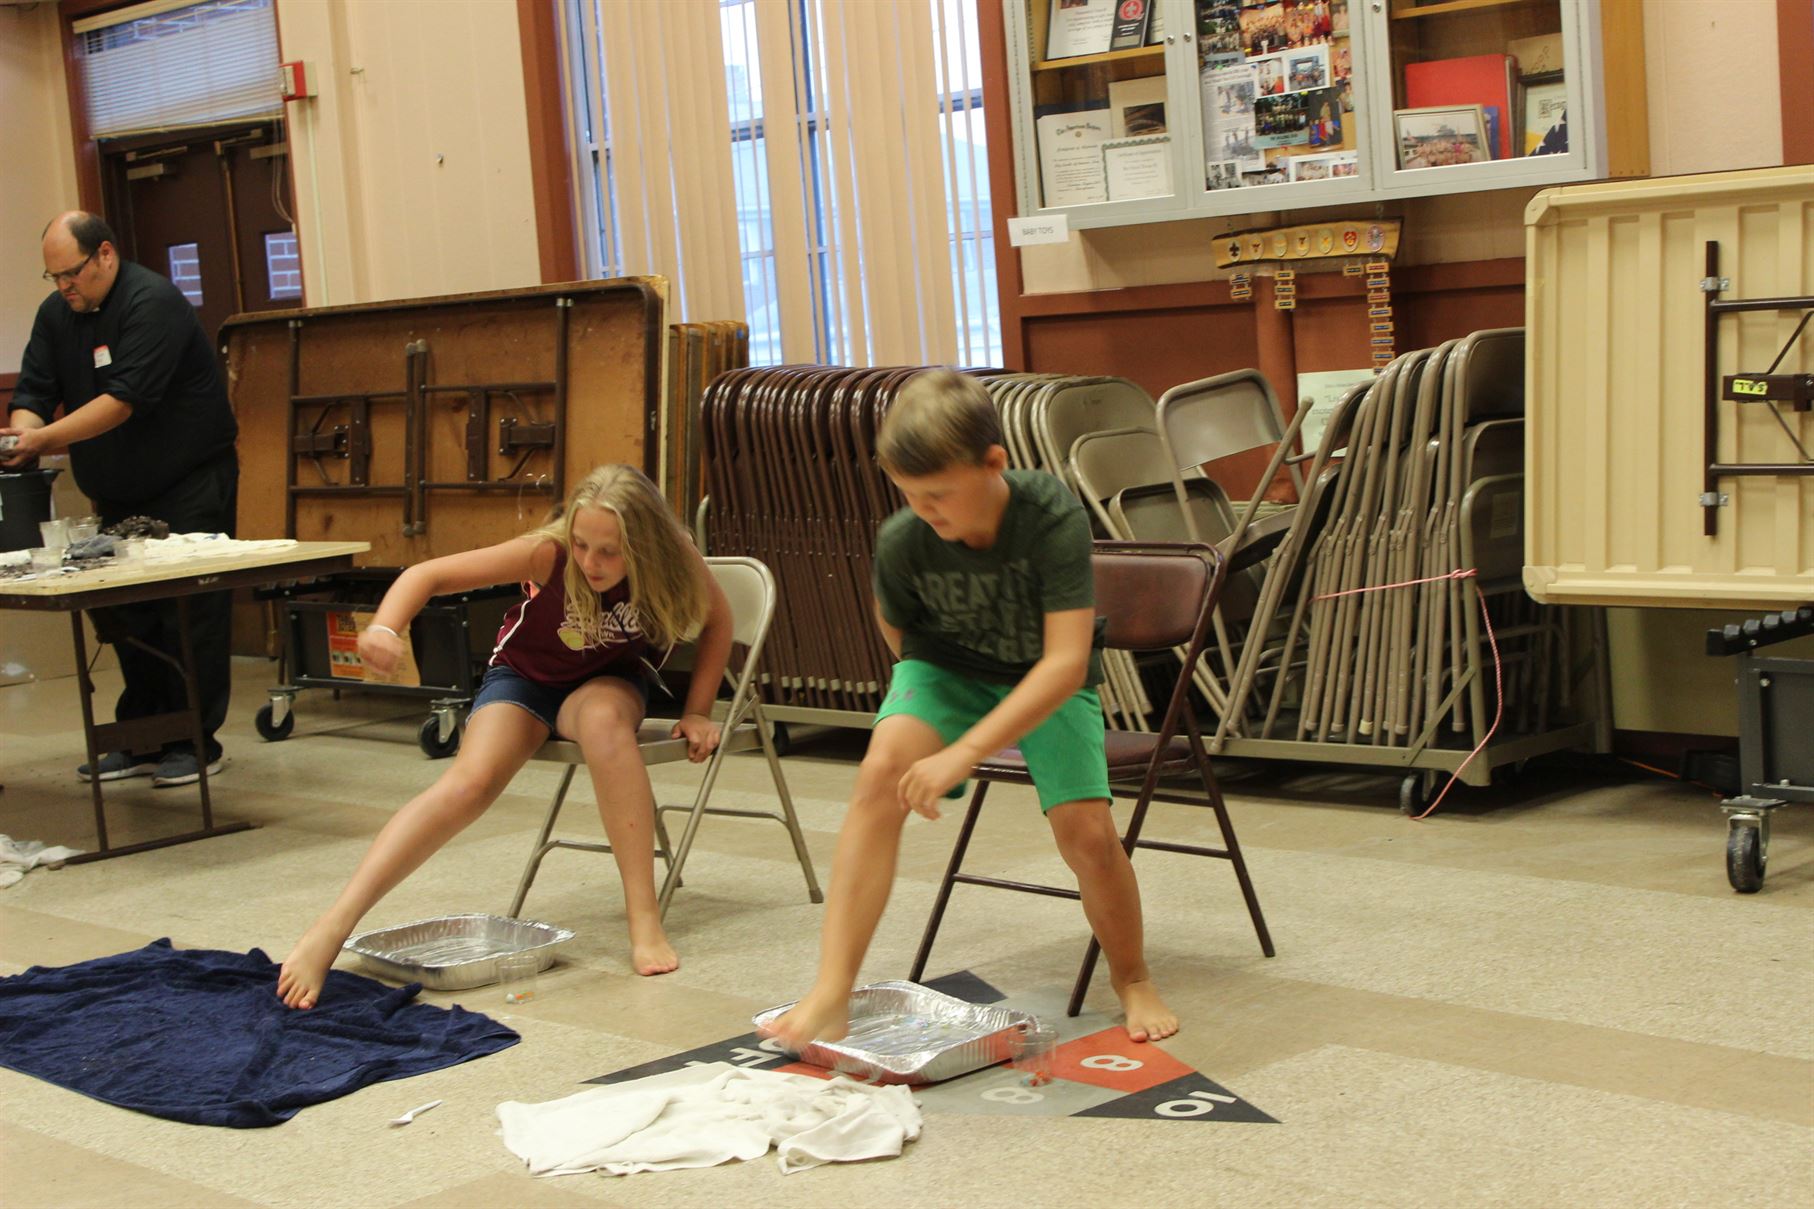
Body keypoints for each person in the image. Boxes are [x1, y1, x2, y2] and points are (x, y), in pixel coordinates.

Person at [764, 370, 1178, 1049]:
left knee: (1087, 833)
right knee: (879, 775)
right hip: (948, 667)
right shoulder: (904, 539)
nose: (925, 510)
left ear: (993, 463)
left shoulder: (1050, 515)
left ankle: (1133, 977)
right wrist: (932, 723)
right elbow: (901, 634)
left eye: (939, 494)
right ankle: (832, 989)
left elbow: (1064, 663)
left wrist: (963, 749)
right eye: (909, 494)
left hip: (1045, 674)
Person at [275, 464, 732, 1009]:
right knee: (468, 784)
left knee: (604, 724)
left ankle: (644, 918)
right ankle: (332, 926)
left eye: (609, 552)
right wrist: (384, 627)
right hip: (525, 679)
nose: (591, 563)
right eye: (582, 545)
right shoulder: (547, 553)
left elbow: (718, 622)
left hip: (606, 684)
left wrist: (698, 711)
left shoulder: (675, 554)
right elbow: (427, 575)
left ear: (644, 544)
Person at [2, 212, 239, 788]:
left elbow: (123, 400)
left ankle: (195, 741)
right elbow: (34, 390)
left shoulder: (151, 302)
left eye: (73, 273)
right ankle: (140, 739)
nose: (65, 286)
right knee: (127, 616)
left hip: (187, 481)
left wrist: (43, 440)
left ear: (105, 254)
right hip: (115, 490)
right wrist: (19, 436)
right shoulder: (56, 314)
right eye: (54, 276)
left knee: (187, 614)